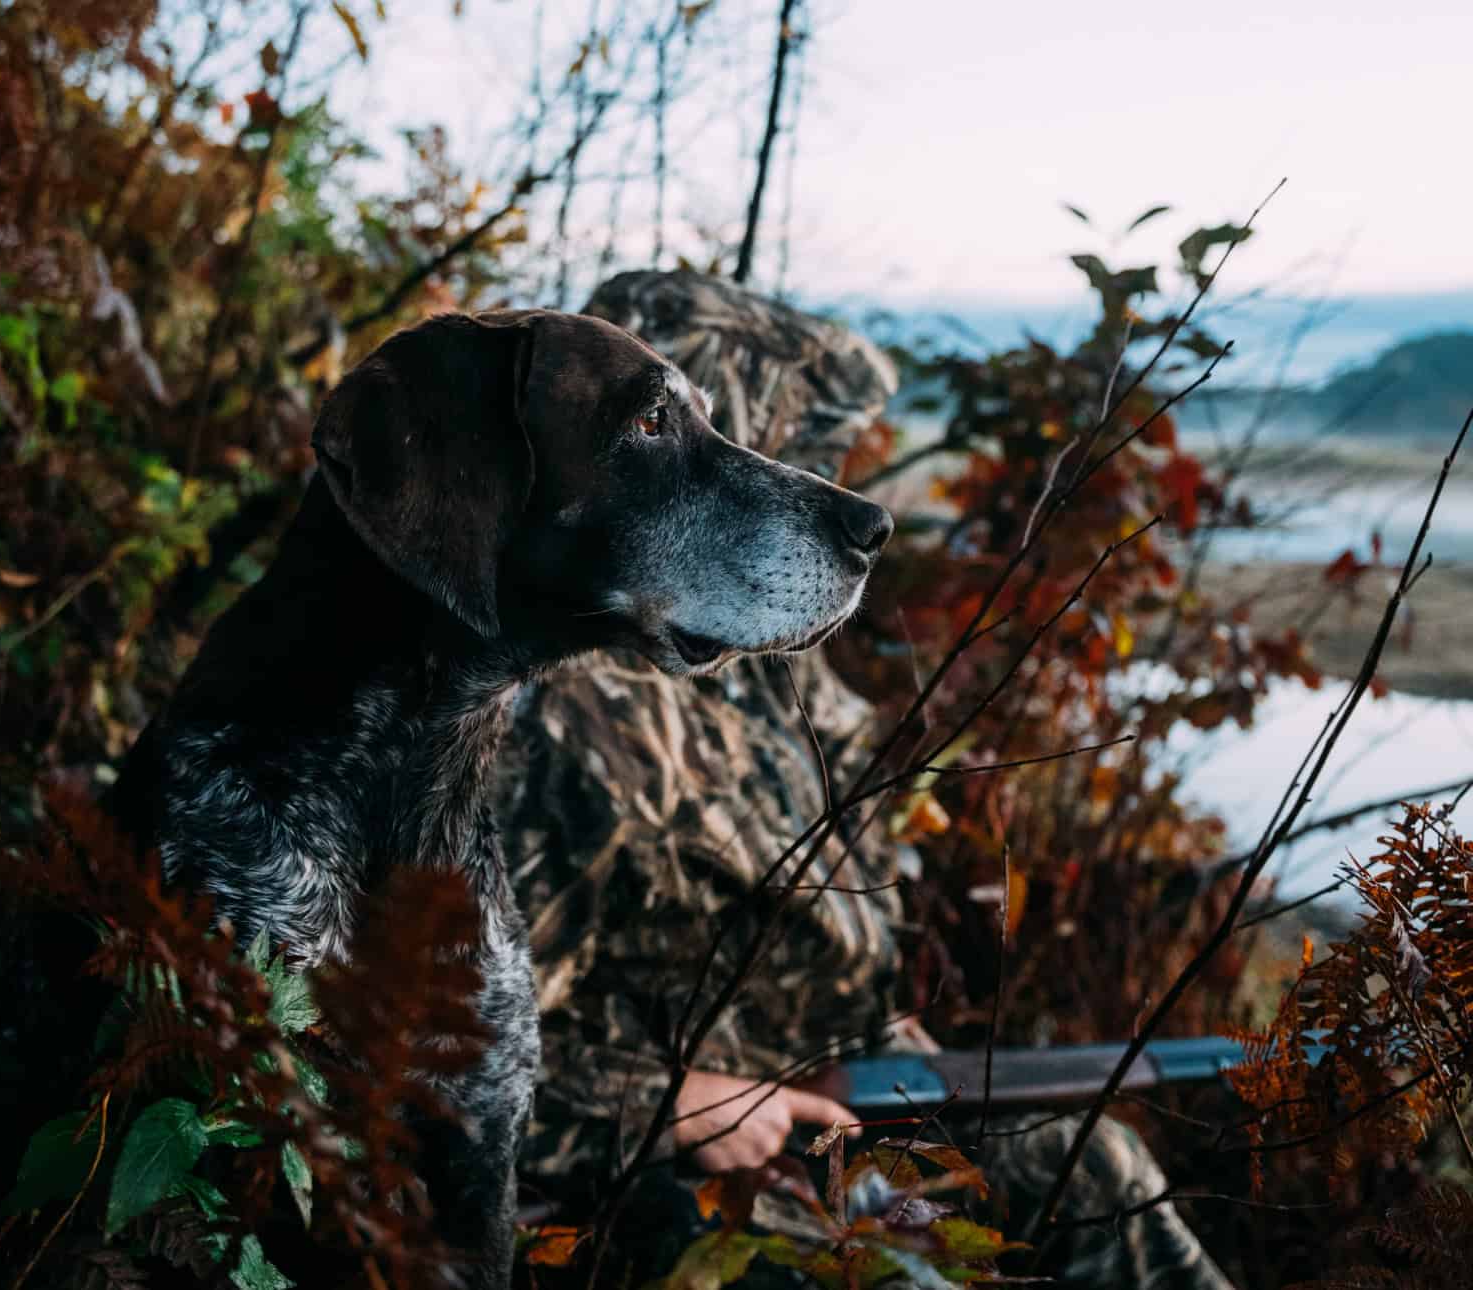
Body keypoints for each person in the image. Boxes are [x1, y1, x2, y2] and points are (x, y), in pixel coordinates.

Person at [499, 269, 1234, 1289]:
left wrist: (900, 1053)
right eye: (791, 441)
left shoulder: (761, 673)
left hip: (852, 1113)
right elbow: (456, 1052)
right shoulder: (558, 702)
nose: (814, 481)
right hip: (692, 1182)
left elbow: (834, 929)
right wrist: (679, 1104)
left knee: (1089, 1161)